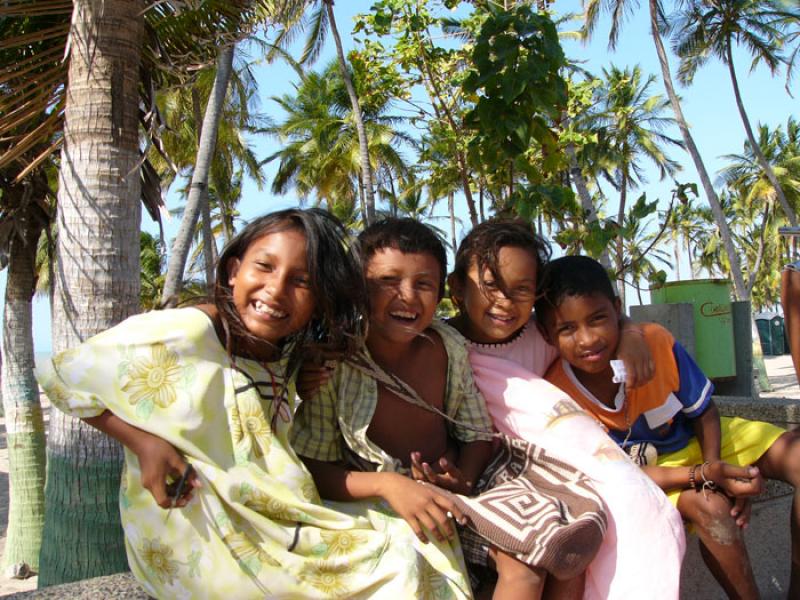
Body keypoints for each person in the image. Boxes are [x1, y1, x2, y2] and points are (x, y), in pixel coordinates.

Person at [36, 208, 474, 599]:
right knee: (390, 565)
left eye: (302, 281)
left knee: (414, 538)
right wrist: (143, 444)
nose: (276, 290)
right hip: (195, 528)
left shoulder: (282, 350)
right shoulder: (190, 330)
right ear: (232, 271)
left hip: (264, 511)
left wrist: (302, 376)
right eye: (264, 267)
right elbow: (65, 376)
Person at [292, 218, 607, 600]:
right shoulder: (333, 366)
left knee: (548, 555)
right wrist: (389, 485)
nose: (407, 295)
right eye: (388, 282)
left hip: (460, 493)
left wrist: (465, 478)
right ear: (358, 286)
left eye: (422, 284)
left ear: (442, 290)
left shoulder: (448, 346)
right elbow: (313, 465)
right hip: (376, 504)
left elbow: (477, 435)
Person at [445, 219, 685, 599]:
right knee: (557, 542)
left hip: (553, 470)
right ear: (457, 288)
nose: (505, 302)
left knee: (614, 515)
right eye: (491, 286)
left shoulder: (541, 335)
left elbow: (590, 330)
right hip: (487, 477)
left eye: (521, 290)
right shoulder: (442, 346)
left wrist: (630, 332)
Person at [536, 254, 800, 599]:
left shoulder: (654, 343)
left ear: (618, 309)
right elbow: (614, 476)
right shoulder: (557, 394)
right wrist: (706, 476)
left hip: (703, 441)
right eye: (567, 329)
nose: (586, 339)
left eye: (597, 318)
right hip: (648, 472)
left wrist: (713, 466)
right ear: (546, 333)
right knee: (712, 508)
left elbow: (704, 413)